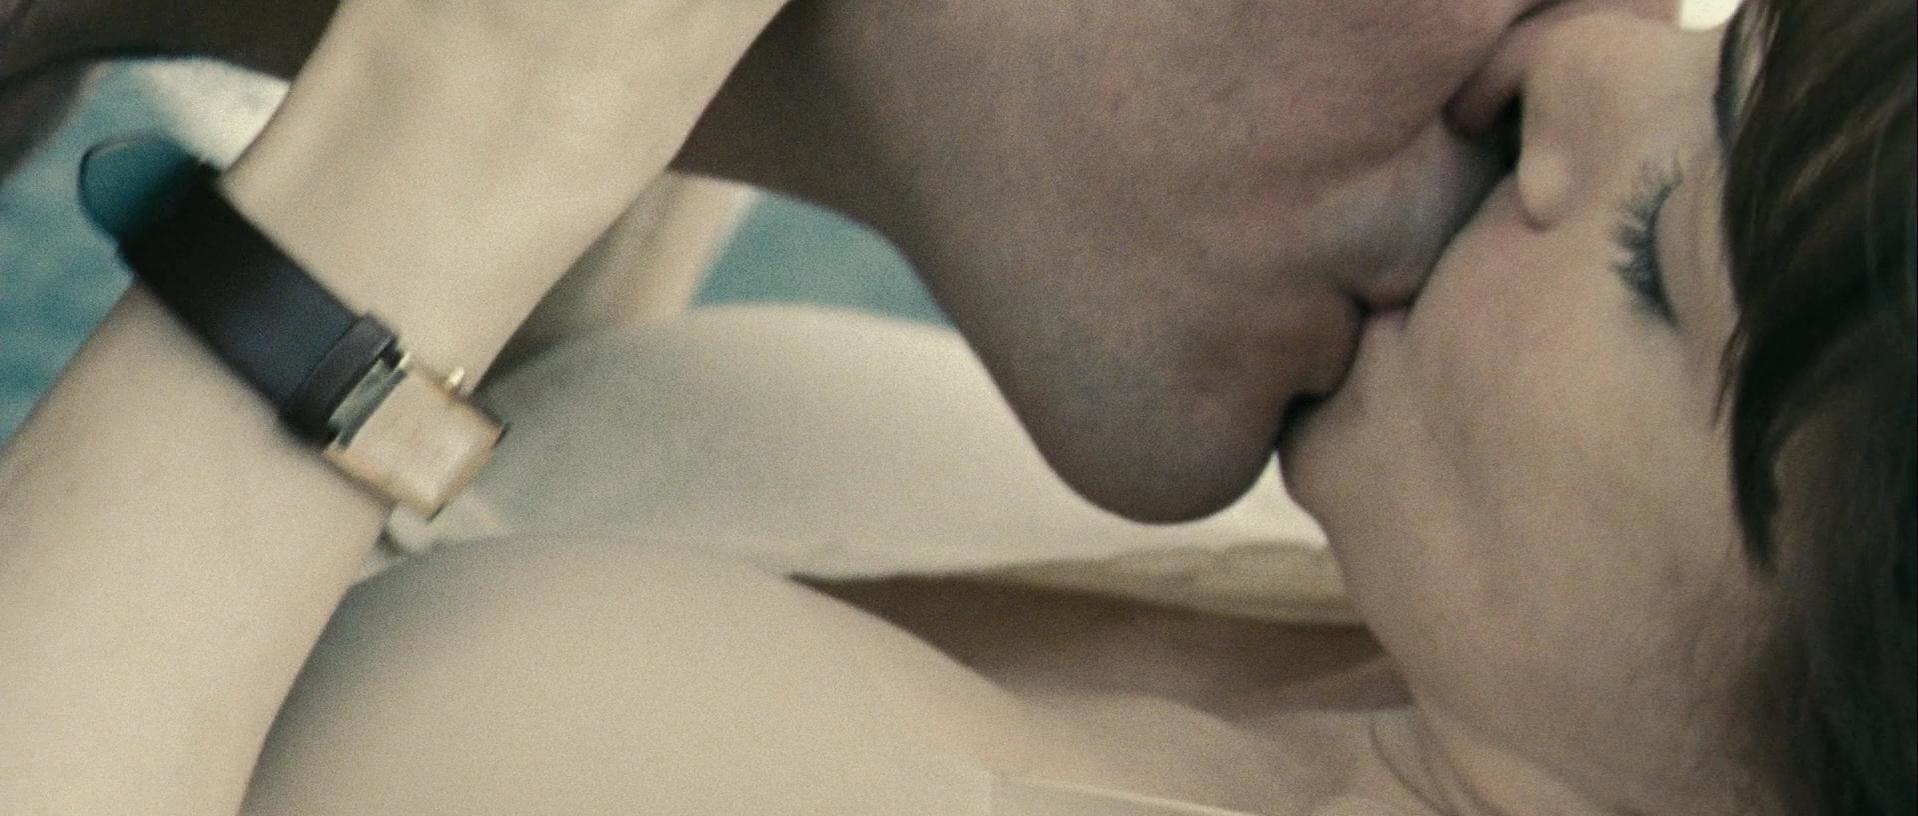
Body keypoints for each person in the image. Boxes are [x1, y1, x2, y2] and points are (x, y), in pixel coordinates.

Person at [0, 0, 1910, 814]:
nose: (1565, 59)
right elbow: (561, 476)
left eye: (1655, 255)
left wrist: (440, 146)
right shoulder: (1354, 617)